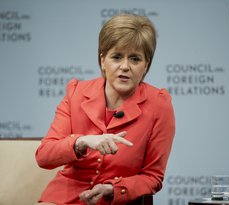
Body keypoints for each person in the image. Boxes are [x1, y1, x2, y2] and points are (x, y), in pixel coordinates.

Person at [35, 13, 175, 205]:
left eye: (135, 59)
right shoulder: (76, 93)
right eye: (116, 57)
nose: (125, 67)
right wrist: (81, 141)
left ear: (146, 65)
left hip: (114, 200)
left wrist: (113, 189)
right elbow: (44, 156)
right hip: (64, 197)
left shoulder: (159, 104)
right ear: (103, 60)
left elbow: (153, 176)